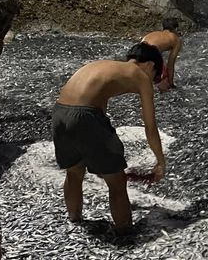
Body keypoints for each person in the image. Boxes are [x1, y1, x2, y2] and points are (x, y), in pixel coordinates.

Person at [51, 42, 167, 234]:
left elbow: (96, 105)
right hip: (85, 115)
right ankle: (125, 233)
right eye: (155, 75)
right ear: (150, 65)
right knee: (117, 183)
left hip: (59, 112)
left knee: (74, 173)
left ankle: (75, 219)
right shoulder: (141, 76)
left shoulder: (105, 66)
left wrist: (94, 152)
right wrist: (160, 161)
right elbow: (150, 126)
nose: (152, 80)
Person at [141, 18, 183, 92]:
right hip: (151, 53)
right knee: (163, 85)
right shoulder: (176, 39)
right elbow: (170, 64)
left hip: (138, 49)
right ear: (175, 28)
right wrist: (171, 83)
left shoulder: (155, 33)